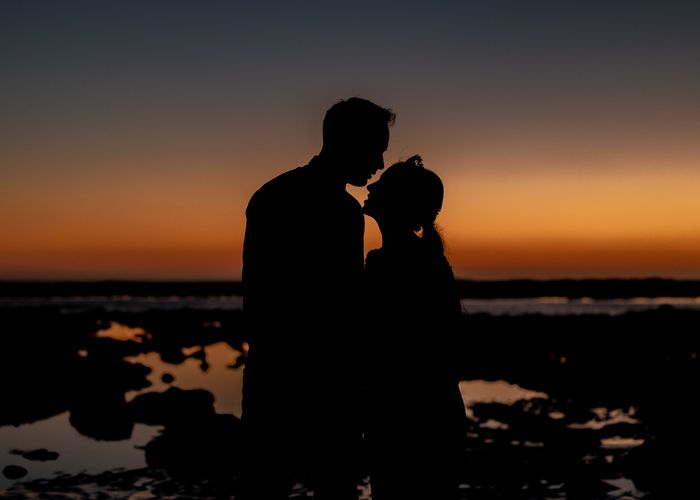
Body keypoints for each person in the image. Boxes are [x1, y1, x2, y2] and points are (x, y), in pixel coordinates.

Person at [240, 97, 395, 499]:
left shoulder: (271, 194)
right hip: (322, 380)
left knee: (266, 486)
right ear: (349, 141)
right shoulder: (340, 211)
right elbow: (346, 305)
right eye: (376, 149)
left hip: (274, 373)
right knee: (330, 488)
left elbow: (257, 297)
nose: (379, 163)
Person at [362, 155, 466, 500]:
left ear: (398, 202)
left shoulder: (396, 264)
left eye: (383, 185)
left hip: (410, 416)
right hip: (424, 410)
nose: (371, 185)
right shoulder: (417, 258)